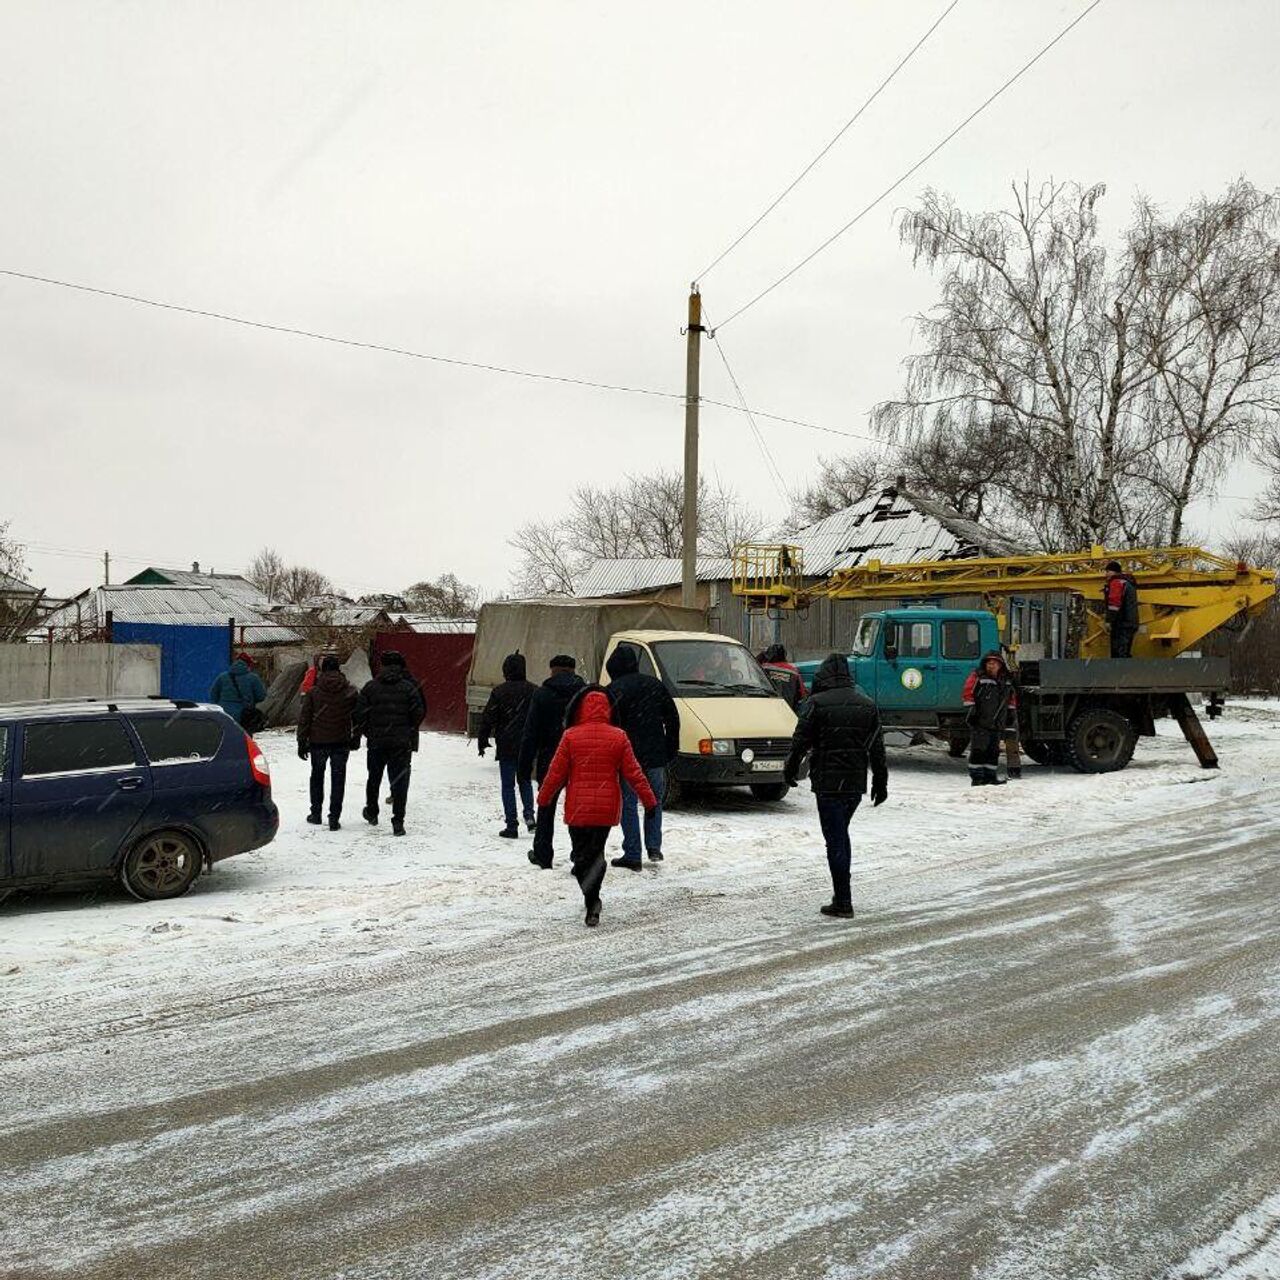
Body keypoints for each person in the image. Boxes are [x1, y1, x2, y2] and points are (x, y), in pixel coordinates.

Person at [537, 686, 658, 927]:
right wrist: (650, 800)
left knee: (581, 856)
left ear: (581, 709)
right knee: (596, 852)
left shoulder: (570, 736)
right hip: (606, 808)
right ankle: (593, 897)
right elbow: (634, 773)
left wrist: (544, 797)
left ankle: (591, 898)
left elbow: (556, 773)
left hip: (578, 808)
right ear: (608, 710)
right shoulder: (619, 736)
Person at [783, 653, 888, 920]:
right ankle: (842, 896)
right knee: (840, 836)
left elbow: (800, 741)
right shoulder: (866, 704)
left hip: (828, 783)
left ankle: (843, 901)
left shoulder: (816, 704)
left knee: (836, 840)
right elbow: (877, 747)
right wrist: (880, 780)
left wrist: (790, 767)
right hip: (854, 783)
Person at [604, 644, 680, 869]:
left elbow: (609, 726)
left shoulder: (613, 690)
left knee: (628, 803)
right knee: (653, 801)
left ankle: (633, 853)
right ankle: (654, 846)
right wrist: (670, 747)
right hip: (655, 754)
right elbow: (672, 718)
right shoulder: (654, 685)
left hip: (627, 757)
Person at [519, 655, 586, 869]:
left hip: (550, 758)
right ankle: (580, 854)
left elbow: (530, 733)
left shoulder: (542, 695)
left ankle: (543, 853)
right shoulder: (584, 695)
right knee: (577, 808)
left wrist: (524, 765)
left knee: (546, 806)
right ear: (573, 671)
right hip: (579, 758)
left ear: (553, 670)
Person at [355, 650, 426, 836]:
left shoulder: (370, 688)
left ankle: (372, 812)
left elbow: (359, 714)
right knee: (399, 782)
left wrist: (369, 732)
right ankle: (398, 821)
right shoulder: (409, 688)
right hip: (401, 744)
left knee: (374, 778)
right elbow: (419, 712)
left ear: (382, 666)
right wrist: (407, 729)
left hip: (377, 742)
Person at [478, 652, 538, 839]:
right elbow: (538, 718)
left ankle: (511, 825)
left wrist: (483, 740)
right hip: (527, 744)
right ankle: (529, 815)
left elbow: (488, 718)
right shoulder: (534, 691)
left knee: (507, 786)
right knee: (525, 780)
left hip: (506, 744)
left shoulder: (499, 692)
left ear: (506, 670)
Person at [297, 655, 359, 830]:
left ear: (322, 669)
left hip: (318, 742)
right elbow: (358, 717)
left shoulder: (313, 692)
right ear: (339, 669)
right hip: (341, 741)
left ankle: (316, 813)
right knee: (338, 779)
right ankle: (334, 818)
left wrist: (302, 741)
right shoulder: (350, 691)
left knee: (317, 777)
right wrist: (356, 737)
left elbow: (305, 718)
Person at [962, 651, 1018, 787]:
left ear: (1000, 664)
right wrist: (972, 709)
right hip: (981, 721)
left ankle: (990, 777)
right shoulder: (978, 676)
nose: (991, 666)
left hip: (997, 723)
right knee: (979, 750)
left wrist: (1011, 713)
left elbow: (1011, 698)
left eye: (994, 663)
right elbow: (968, 692)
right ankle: (977, 778)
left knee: (993, 751)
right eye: (989, 663)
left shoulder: (1006, 680)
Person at [210, 653, 267, 729]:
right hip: (244, 715)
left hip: (223, 713)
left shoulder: (222, 677)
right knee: (244, 738)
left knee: (224, 736)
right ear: (248, 664)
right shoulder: (253, 678)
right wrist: (250, 700)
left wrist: (221, 704)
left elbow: (213, 694)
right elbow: (261, 696)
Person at [1103, 560, 1140, 657]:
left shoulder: (1116, 582)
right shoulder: (1128, 583)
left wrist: (1109, 621)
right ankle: (1125, 670)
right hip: (1129, 623)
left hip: (1121, 624)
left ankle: (1119, 671)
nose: (1105, 574)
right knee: (1124, 652)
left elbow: (1114, 604)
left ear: (1114, 572)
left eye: (1107, 571)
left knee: (1118, 654)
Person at [758, 643, 807, 708]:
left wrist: (762, 654)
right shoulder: (793, 671)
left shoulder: (764, 668)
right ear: (784, 655)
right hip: (788, 709)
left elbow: (751, 665)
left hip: (766, 707)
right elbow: (802, 693)